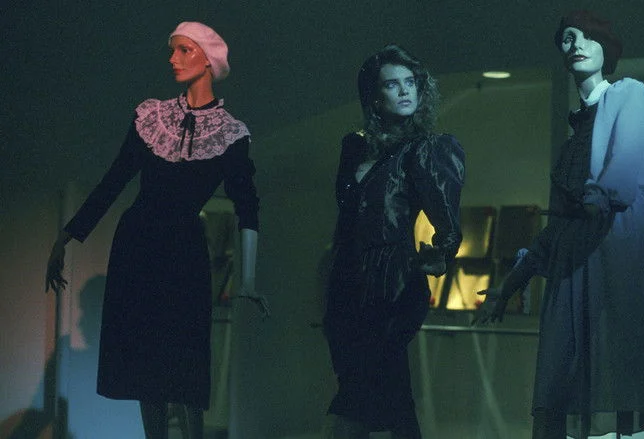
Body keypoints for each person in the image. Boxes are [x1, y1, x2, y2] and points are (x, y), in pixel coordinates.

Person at [44, 21, 268, 439]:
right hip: (138, 245)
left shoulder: (230, 134)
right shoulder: (152, 117)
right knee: (147, 368)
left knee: (185, 362)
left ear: (207, 59)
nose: (173, 59)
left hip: (183, 250)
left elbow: (247, 205)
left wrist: (248, 280)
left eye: (184, 50)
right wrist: (67, 237)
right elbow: (115, 180)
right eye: (173, 50)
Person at [474, 10, 644, 439]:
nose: (576, 45)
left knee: (636, 365)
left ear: (606, 48)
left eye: (587, 37)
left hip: (619, 247)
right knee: (558, 375)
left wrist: (598, 197)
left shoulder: (628, 93)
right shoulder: (574, 135)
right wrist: (513, 281)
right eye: (568, 39)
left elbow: (624, 166)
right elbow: (560, 223)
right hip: (575, 257)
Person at [322, 44, 465, 439]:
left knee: (357, 392)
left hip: (395, 281)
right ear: (374, 96)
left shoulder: (426, 150)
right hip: (347, 282)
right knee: (387, 393)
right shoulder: (353, 147)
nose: (404, 91)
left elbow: (447, 221)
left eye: (410, 82)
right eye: (391, 84)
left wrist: (441, 254)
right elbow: (347, 220)